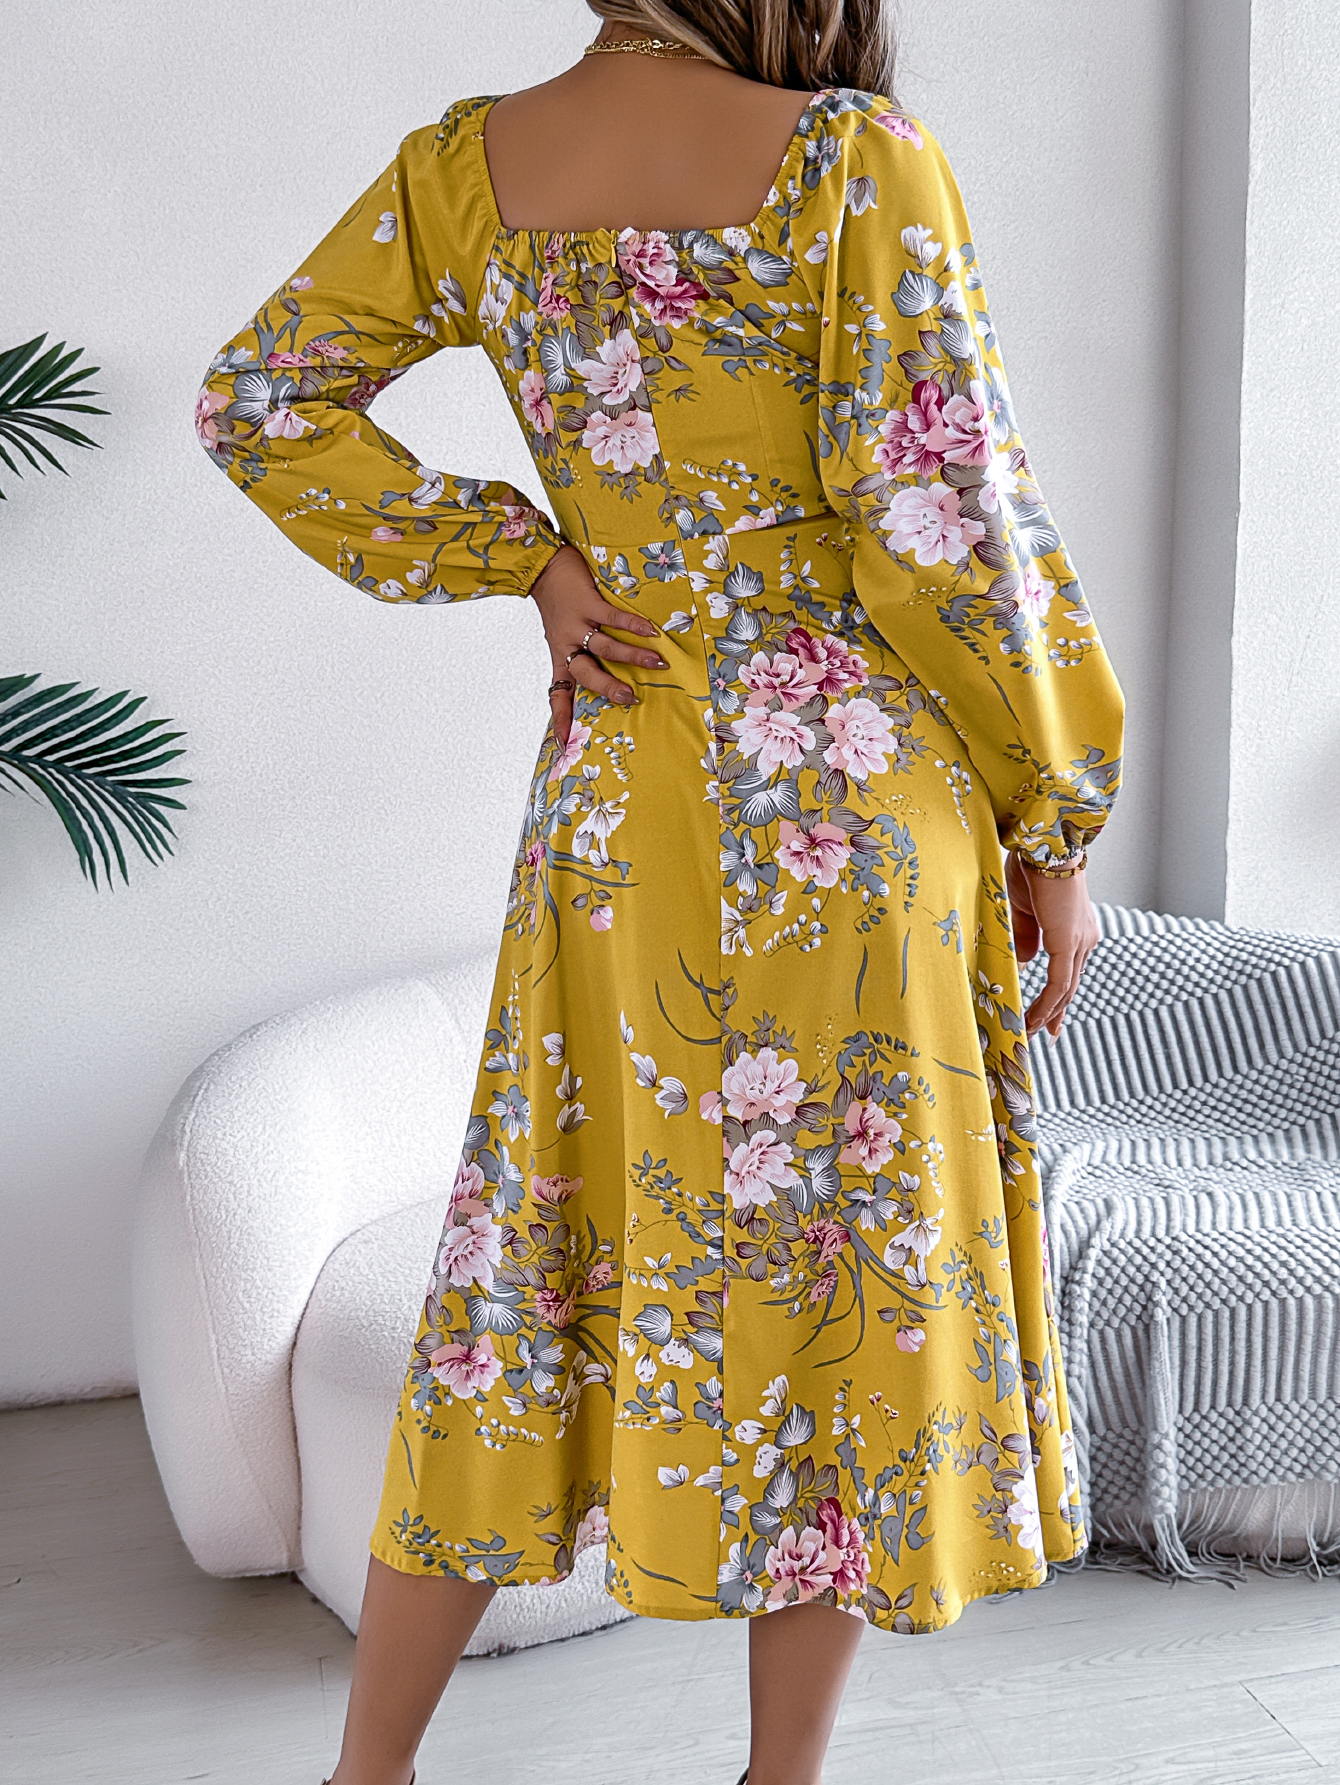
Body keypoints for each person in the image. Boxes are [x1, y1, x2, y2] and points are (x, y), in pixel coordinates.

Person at [197, 4, 1124, 1780]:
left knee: (524, 1270)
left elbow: (259, 403)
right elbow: (948, 525)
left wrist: (530, 557)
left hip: (620, 806)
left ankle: (365, 1770)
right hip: (856, 817)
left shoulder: (470, 168)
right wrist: (1056, 814)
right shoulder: (855, 166)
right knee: (838, 1289)